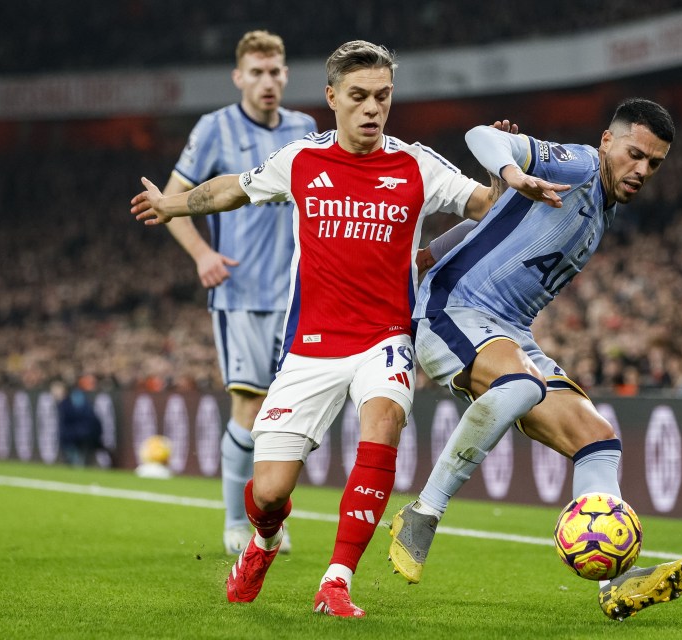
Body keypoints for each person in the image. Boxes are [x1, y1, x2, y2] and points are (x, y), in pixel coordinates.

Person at [131, 40, 549, 618]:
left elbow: (487, 205)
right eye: (358, 97)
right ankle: (264, 541)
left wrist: (510, 170)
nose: (373, 108)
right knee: (270, 493)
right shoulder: (302, 160)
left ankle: (337, 579)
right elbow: (233, 188)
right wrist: (175, 206)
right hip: (310, 347)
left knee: (385, 420)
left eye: (383, 96)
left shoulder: (416, 164)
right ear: (332, 98)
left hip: (385, 338)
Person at [388, 99, 682, 621]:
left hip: (509, 335)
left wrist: (432, 250)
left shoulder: (604, 207)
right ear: (607, 141)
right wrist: (514, 170)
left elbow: (494, 226)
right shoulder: (577, 165)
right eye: (635, 154)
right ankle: (422, 513)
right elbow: (480, 135)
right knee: (521, 385)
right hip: (454, 313)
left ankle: (617, 584)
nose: (643, 170)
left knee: (598, 440)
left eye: (655, 163)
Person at [160, 30, 317, 555]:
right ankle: (235, 520)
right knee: (249, 409)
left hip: (298, 297)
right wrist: (202, 254)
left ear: (286, 74)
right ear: (238, 77)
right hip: (242, 296)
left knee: (284, 416)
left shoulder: (305, 128)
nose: (267, 81)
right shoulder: (214, 129)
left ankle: (267, 517)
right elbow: (170, 199)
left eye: (275, 72)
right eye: (256, 72)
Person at [54, 379, 103, 468]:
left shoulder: (83, 403)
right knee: (76, 463)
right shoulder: (69, 404)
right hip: (75, 438)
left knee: (79, 464)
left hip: (81, 438)